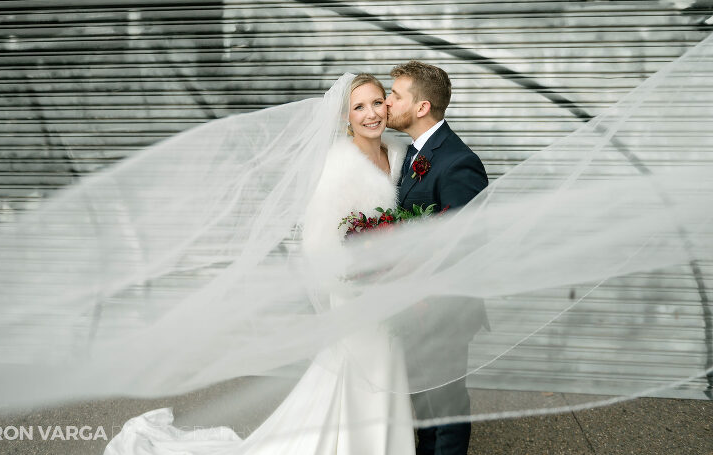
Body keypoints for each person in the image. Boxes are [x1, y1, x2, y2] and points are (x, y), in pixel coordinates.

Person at [104, 73, 417, 455]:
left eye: (377, 102)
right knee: (370, 373)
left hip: (390, 296)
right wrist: (367, 277)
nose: (371, 114)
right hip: (357, 295)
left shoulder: (400, 156)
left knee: (382, 371)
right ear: (344, 118)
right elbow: (319, 248)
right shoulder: (337, 169)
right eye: (359, 107)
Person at [385, 61, 489, 455]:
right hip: (414, 307)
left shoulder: (457, 161)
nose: (387, 101)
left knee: (445, 410)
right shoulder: (412, 154)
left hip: (443, 310)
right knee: (424, 408)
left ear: (423, 107)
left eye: (396, 95)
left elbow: (465, 241)